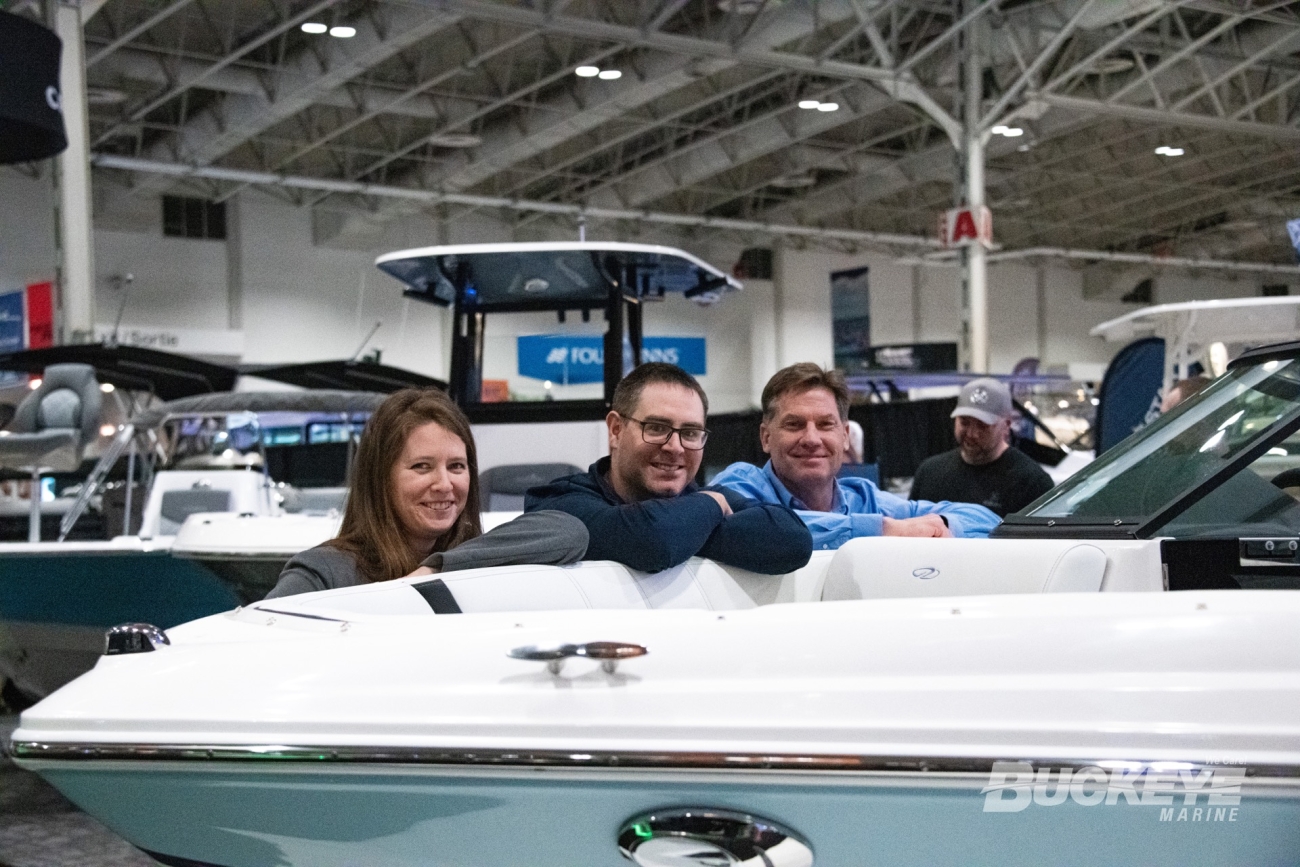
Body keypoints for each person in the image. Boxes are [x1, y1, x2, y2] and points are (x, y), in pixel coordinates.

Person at [266, 389, 588, 599]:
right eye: (422, 466)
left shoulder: (477, 558)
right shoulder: (324, 573)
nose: (445, 484)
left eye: (457, 466)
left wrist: (434, 569)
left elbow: (569, 531)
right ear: (380, 478)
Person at [524, 363, 812, 574]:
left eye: (690, 432)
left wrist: (683, 529)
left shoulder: (701, 499)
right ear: (615, 430)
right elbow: (653, 541)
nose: (675, 447)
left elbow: (792, 538)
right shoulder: (559, 505)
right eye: (657, 427)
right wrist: (708, 509)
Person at [710, 363, 999, 550]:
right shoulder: (740, 486)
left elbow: (986, 521)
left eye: (826, 425)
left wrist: (942, 526)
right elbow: (765, 530)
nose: (812, 439)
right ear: (765, 437)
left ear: (845, 436)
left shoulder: (863, 499)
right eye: (794, 424)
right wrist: (882, 530)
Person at [910, 377, 1054, 518]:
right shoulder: (929, 473)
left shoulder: (1032, 484)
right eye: (965, 423)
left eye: (983, 426)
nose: (972, 434)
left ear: (1006, 425)